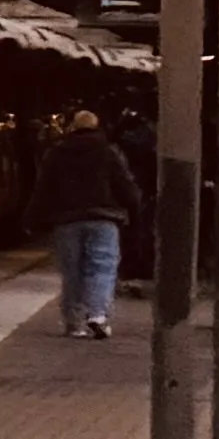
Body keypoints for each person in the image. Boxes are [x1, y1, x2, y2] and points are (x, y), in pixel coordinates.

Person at [31, 109, 133, 339]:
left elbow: (43, 187)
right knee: (102, 267)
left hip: (67, 220)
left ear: (72, 128)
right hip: (103, 218)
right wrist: (133, 208)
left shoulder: (56, 153)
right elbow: (124, 183)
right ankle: (97, 314)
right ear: (97, 127)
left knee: (71, 271)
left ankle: (74, 323)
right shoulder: (108, 151)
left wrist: (33, 218)